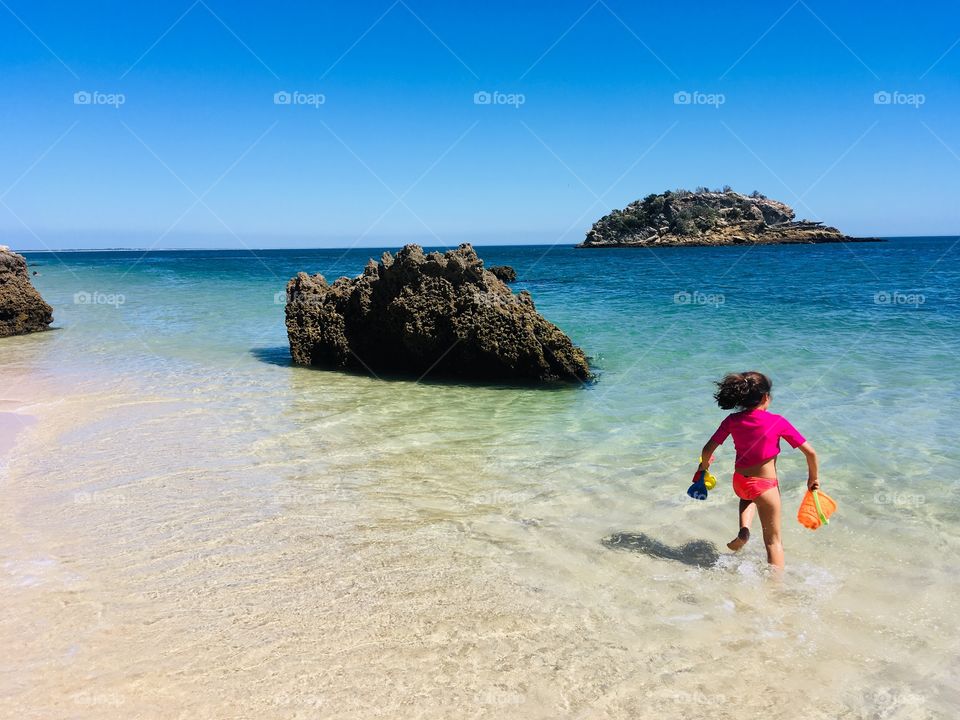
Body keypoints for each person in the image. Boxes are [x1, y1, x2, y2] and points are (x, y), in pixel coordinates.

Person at [697, 371, 819, 569]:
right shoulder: (778, 422)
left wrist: (704, 466)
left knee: (748, 497)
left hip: (740, 482)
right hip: (766, 487)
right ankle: (775, 589)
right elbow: (811, 453)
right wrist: (812, 478)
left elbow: (707, 449)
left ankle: (744, 531)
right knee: (773, 542)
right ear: (765, 397)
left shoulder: (732, 420)